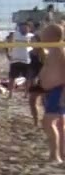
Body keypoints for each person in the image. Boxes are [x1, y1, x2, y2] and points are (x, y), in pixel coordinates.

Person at [36, 22, 65, 163]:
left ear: (52, 36)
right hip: (51, 91)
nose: (42, 34)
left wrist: (63, 96)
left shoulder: (61, 51)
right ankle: (61, 153)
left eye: (45, 33)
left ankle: (55, 156)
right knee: (59, 124)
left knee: (49, 123)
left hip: (58, 91)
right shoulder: (52, 51)